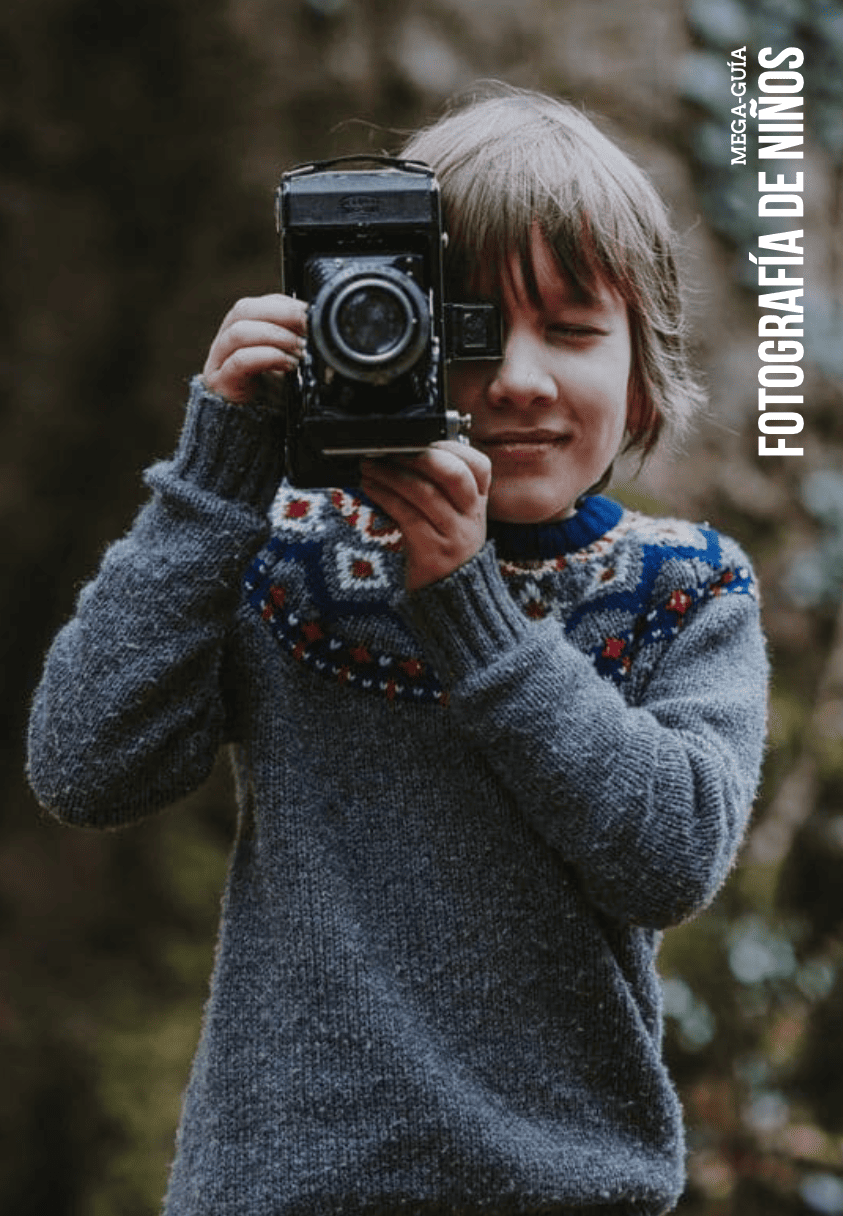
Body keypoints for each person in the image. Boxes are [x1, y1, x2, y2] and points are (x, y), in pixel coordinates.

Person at [27, 85, 768, 1216]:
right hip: (277, 1191)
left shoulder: (687, 587)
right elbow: (87, 764)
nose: (520, 378)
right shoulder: (285, 553)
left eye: (571, 330)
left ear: (643, 371)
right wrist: (218, 468)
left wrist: (470, 606)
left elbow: (668, 857)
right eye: (466, 329)